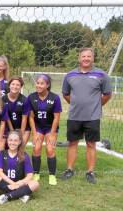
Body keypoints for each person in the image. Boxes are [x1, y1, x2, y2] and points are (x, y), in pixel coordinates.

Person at [61, 48, 112, 184]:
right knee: (72, 143)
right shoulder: (70, 75)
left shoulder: (101, 75)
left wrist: (96, 105)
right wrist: (77, 104)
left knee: (91, 144)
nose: (86, 58)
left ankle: (90, 172)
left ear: (92, 58)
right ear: (79, 58)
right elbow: (65, 94)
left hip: (92, 117)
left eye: (89, 56)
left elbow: (107, 94)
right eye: (83, 56)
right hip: (74, 116)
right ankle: (69, 169)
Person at [27, 74, 61, 185]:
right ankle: (36, 173)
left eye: (42, 83)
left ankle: (52, 175)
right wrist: (34, 132)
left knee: (50, 149)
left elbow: (56, 118)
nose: (39, 85)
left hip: (50, 127)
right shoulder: (31, 97)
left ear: (47, 85)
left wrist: (52, 134)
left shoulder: (55, 98)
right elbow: (31, 117)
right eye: (37, 83)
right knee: (36, 148)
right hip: (38, 127)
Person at [0, 131, 39, 205]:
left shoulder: (24, 155)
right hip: (6, 184)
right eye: (10, 140)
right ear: (7, 141)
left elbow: (30, 175)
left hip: (19, 184)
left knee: (35, 183)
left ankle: (7, 196)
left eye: (15, 140)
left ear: (19, 142)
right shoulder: (2, 153)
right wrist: (12, 183)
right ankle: (20, 194)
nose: (12, 143)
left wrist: (19, 183)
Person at [2, 76, 31, 146]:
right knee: (6, 149)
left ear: (21, 87)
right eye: (13, 84)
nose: (15, 86)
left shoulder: (25, 100)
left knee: (20, 148)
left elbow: (24, 119)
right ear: (9, 85)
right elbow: (6, 118)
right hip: (8, 128)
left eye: (18, 85)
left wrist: (20, 134)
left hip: (23, 128)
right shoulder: (3, 99)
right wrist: (12, 132)